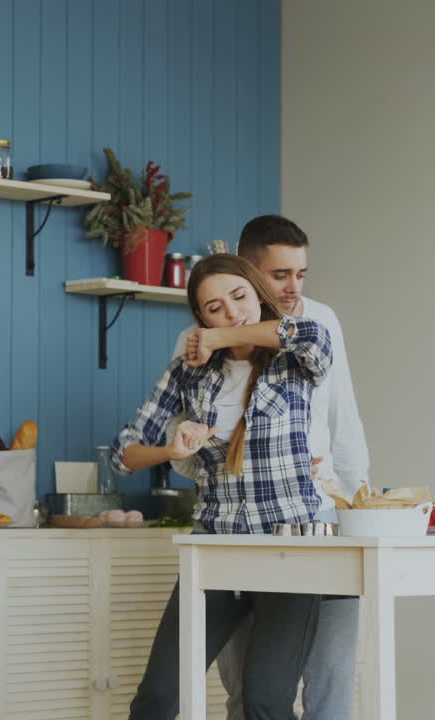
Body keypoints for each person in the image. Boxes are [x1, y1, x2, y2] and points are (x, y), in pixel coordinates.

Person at [111, 253, 333, 720]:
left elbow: (304, 333)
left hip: (290, 550)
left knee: (264, 702)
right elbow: (123, 452)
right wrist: (170, 450)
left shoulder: (296, 356)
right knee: (157, 698)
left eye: (239, 296)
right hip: (216, 550)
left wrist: (216, 337)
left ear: (258, 294)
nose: (232, 312)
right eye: (215, 308)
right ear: (200, 316)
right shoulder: (187, 372)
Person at [171, 215, 368, 720]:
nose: (292, 287)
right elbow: (185, 445)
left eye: (300, 274)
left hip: (323, 516)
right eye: (279, 275)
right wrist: (221, 464)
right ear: (245, 270)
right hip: (239, 528)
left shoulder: (319, 322)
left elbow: (343, 416)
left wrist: (355, 505)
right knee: (249, 691)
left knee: (331, 685)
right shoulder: (199, 340)